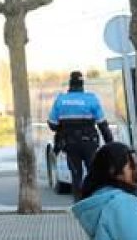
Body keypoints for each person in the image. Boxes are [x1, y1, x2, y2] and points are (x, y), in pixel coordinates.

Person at [48, 70, 114, 200]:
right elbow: (102, 125)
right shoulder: (91, 99)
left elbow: (52, 125)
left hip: (70, 144)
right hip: (89, 143)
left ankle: (78, 202)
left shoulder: (61, 100)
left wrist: (65, 125)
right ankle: (95, 200)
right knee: (93, 173)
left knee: (76, 174)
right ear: (82, 84)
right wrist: (110, 144)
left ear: (70, 84)